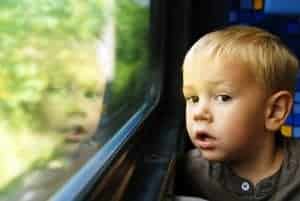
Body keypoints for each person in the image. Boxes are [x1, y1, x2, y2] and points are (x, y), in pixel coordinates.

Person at [178, 25, 300, 201]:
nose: (199, 113)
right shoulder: (185, 171)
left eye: (223, 97)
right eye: (193, 98)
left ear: (275, 111)